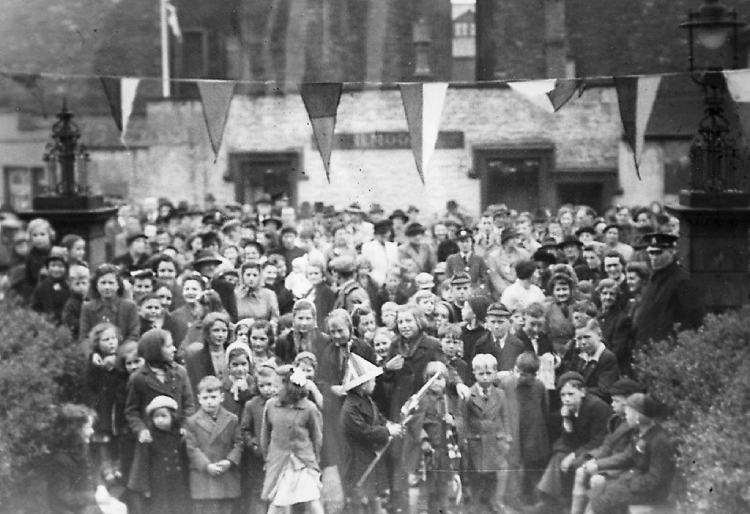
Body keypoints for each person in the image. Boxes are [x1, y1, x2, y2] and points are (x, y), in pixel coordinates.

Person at [531, 372, 612, 513]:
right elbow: (569, 439)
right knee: (559, 453)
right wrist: (567, 420)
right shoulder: (570, 409)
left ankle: (566, 502)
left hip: (600, 449)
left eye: (570, 394)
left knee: (571, 461)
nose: (566, 399)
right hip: (581, 445)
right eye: (563, 395)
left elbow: (598, 441)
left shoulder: (597, 407)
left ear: (582, 392)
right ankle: (552, 498)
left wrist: (573, 455)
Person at [588, 393, 675, 514]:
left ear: (638, 416)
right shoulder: (639, 433)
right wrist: (598, 464)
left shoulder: (659, 441)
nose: (626, 415)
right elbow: (627, 456)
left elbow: (657, 479)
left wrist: (629, 483)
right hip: (638, 483)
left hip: (652, 492)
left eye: (628, 413)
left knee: (608, 497)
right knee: (599, 490)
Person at [340, 353, 401, 514]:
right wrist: (387, 431)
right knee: (359, 496)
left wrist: (388, 424)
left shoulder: (367, 400)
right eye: (372, 380)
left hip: (368, 456)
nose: (375, 383)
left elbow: (377, 416)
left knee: (374, 494)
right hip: (356, 459)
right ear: (362, 384)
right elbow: (364, 431)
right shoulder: (350, 407)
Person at [570, 378, 642, 514]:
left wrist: (598, 464)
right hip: (610, 464)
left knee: (597, 480)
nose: (612, 404)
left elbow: (627, 456)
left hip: (624, 468)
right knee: (580, 471)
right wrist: (589, 458)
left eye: (617, 401)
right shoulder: (615, 420)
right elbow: (606, 447)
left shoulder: (635, 425)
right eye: (612, 400)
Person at [261, 365, 325, 514]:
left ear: (290, 387)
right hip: (279, 462)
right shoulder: (271, 406)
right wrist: (269, 458)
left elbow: (317, 437)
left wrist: (313, 459)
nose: (274, 390)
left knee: (313, 502)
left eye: (278, 386)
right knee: (278, 503)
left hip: (303, 463)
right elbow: (265, 436)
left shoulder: (309, 408)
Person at [404, 361, 464, 514]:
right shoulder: (421, 400)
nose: (436, 383)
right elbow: (414, 422)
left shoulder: (449, 400)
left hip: (444, 450)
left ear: (446, 381)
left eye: (439, 379)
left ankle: (444, 508)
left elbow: (459, 419)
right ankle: (428, 510)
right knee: (428, 485)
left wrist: (453, 421)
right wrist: (423, 440)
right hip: (428, 451)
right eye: (432, 378)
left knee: (444, 483)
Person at [125, 329, 196, 448]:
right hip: (152, 441)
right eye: (168, 346)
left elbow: (189, 404)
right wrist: (141, 430)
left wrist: (185, 426)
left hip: (177, 437)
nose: (174, 349)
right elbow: (132, 411)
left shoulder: (180, 373)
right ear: (155, 351)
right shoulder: (138, 378)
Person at [497, 352, 550, 509]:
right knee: (514, 463)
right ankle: (514, 497)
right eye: (518, 372)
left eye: (525, 375)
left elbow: (545, 409)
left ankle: (535, 494)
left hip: (533, 430)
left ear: (534, 375)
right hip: (514, 429)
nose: (520, 377)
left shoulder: (539, 386)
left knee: (533, 463)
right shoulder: (507, 384)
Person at [184, 375, 243, 514]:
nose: (209, 402)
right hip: (204, 476)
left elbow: (239, 443)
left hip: (226, 475)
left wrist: (229, 461)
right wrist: (206, 465)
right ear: (199, 399)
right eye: (205, 398)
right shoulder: (192, 421)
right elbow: (191, 447)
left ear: (222, 397)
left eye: (213, 397)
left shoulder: (232, 419)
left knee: (226, 509)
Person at [633, 233, 704, 347]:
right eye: (651, 253)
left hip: (666, 347)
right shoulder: (653, 278)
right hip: (646, 345)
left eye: (659, 253)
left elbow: (693, 317)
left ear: (671, 252)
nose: (654, 257)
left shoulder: (681, 281)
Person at [44, 403, 117, 514]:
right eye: (88, 427)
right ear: (73, 432)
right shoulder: (59, 460)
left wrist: (100, 485)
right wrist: (94, 498)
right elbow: (61, 496)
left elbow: (92, 471)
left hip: (87, 507)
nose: (92, 431)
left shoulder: (83, 449)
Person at [464, 353, 511, 514]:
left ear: (495, 373)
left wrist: (507, 437)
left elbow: (504, 417)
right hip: (476, 439)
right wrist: (466, 438)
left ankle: (494, 501)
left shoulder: (500, 394)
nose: (485, 377)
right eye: (481, 374)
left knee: (494, 473)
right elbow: (465, 419)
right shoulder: (468, 395)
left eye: (489, 373)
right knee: (476, 474)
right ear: (474, 374)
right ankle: (475, 502)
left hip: (494, 439)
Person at [128, 396, 191, 514]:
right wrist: (145, 487)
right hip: (159, 485)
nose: (160, 420)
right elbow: (144, 463)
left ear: (172, 416)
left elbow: (185, 459)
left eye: (164, 416)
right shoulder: (149, 437)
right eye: (156, 416)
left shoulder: (178, 435)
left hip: (178, 483)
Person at [240, 364, 280, 514]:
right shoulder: (252, 405)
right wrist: (253, 445)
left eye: (269, 384)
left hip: (279, 457)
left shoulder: (282, 402)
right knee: (259, 495)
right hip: (258, 459)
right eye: (262, 385)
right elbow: (244, 429)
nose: (266, 389)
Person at [80, 263, 140, 344]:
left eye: (111, 283)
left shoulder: (129, 306)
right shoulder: (88, 308)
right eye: (103, 283)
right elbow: (84, 338)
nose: (107, 287)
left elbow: (134, 336)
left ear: (118, 285)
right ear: (96, 285)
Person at [571, 320, 620, 403]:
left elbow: (604, 391)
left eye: (587, 337)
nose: (583, 342)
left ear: (599, 335)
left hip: (598, 404)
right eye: (579, 338)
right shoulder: (580, 355)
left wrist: (576, 392)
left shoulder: (607, 358)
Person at [185, 311, 233, 395]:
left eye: (224, 330)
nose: (220, 335)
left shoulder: (233, 354)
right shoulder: (196, 358)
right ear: (207, 332)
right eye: (216, 330)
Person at [596, 279, 634, 376]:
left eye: (612, 294)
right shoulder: (596, 316)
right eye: (604, 293)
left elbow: (618, 350)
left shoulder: (622, 319)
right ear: (599, 295)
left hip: (611, 368)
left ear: (617, 296)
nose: (608, 297)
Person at [473, 302, 525, 372]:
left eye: (500, 322)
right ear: (487, 322)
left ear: (509, 322)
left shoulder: (518, 345)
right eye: (493, 322)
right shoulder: (481, 344)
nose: (496, 326)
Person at [275, 299, 330, 364]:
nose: (304, 323)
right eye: (300, 318)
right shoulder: (283, 341)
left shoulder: (325, 340)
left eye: (308, 318)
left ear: (314, 319)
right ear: (293, 318)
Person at [445, 227, 491, 293]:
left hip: (475, 293)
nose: (465, 245)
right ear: (457, 243)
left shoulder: (479, 259)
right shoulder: (451, 259)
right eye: (462, 242)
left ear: (472, 242)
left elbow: (485, 279)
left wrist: (477, 290)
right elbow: (448, 279)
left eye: (467, 241)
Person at [31, 253, 71, 324]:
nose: (56, 269)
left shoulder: (68, 286)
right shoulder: (42, 287)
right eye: (53, 265)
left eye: (60, 266)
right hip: (48, 323)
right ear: (47, 268)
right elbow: (36, 308)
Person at [222, 342, 256, 419]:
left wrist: (246, 392)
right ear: (228, 366)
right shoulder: (224, 386)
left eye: (243, 364)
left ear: (249, 364)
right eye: (235, 365)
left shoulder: (254, 384)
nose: (240, 369)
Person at [62, 260, 91, 340]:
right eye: (77, 284)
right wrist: (84, 322)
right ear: (71, 285)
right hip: (76, 336)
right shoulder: (71, 303)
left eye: (84, 283)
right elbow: (68, 320)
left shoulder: (92, 300)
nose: (81, 287)